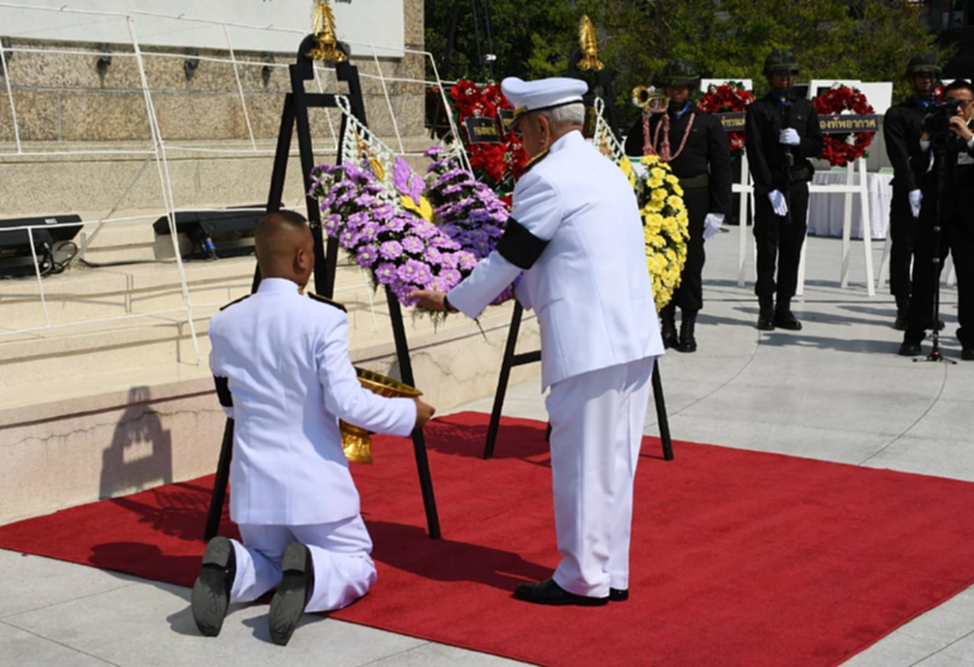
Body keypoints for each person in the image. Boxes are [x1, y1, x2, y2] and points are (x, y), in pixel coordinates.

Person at [411, 77, 663, 606]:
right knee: (616, 462)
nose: (519, 138)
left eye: (522, 127)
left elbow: (513, 255)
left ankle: (581, 578)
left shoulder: (547, 178)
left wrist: (454, 300)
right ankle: (609, 571)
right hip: (633, 337)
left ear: (543, 126)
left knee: (581, 463)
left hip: (589, 341)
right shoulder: (606, 169)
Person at [194, 210, 436, 644]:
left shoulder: (224, 322)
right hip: (315, 487)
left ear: (258, 256)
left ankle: (233, 566)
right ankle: (311, 574)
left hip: (254, 489)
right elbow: (345, 402)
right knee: (355, 562)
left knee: (265, 560)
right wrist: (407, 415)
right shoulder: (323, 318)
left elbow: (230, 404)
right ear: (304, 259)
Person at [624, 58, 732, 353]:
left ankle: (689, 325)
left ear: (690, 88)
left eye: (682, 86)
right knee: (661, 259)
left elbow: (722, 167)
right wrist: (644, 116)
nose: (676, 91)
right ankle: (666, 323)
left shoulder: (708, 122)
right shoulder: (654, 119)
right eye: (671, 85)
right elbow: (632, 151)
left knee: (692, 262)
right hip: (660, 200)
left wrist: (719, 209)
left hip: (695, 199)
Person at [899, 80, 974, 360]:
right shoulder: (938, 132)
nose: (956, 108)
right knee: (923, 277)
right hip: (936, 213)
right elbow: (918, 167)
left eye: (963, 103)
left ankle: (971, 339)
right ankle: (914, 333)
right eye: (951, 102)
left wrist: (968, 135)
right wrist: (926, 137)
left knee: (969, 282)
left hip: (970, 218)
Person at [745, 49, 822, 331]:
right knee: (767, 247)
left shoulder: (805, 108)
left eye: (789, 74)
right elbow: (754, 150)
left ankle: (784, 306)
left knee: (792, 246)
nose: (785, 78)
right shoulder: (758, 109)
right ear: (769, 77)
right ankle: (765, 306)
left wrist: (799, 141)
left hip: (797, 184)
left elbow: (817, 146)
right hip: (771, 187)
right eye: (779, 74)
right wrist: (767, 188)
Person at [883, 54, 942, 330]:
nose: (926, 81)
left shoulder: (943, 111)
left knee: (931, 251)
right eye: (921, 76)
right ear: (911, 80)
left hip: (938, 189)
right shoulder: (899, 114)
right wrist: (911, 188)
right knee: (904, 248)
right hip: (910, 189)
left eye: (930, 77)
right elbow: (898, 155)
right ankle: (904, 307)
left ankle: (925, 307)